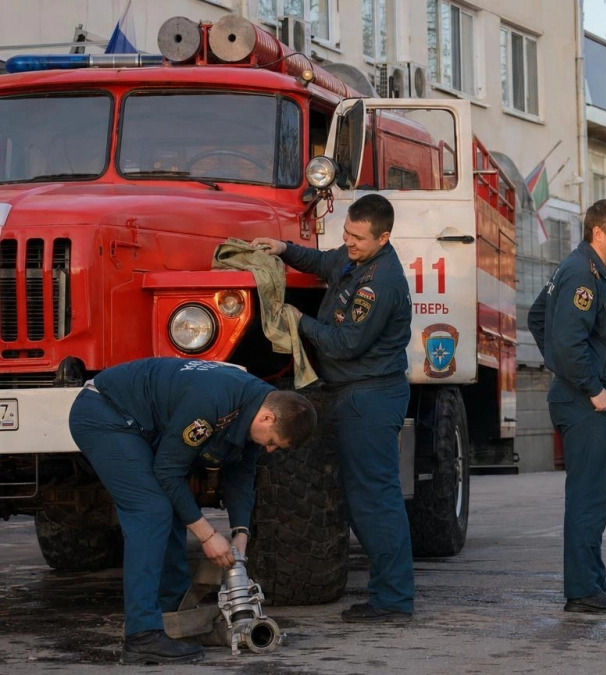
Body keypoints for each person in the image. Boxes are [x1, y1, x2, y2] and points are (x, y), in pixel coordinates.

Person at [68, 357, 316, 665]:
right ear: (267, 419)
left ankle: (170, 618)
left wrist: (241, 534)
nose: (270, 450)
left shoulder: (259, 403)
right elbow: (168, 472)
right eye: (274, 443)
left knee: (172, 508)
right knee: (151, 509)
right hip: (106, 412)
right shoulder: (213, 402)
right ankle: (142, 636)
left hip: (139, 423)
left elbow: (241, 476)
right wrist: (208, 535)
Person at [252, 193, 415, 624]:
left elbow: (346, 343)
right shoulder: (354, 257)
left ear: (384, 237)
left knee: (375, 501)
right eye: (346, 233)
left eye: (358, 238)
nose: (349, 242)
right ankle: (390, 593)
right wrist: (285, 249)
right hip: (355, 394)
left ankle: (394, 600)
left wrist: (297, 319)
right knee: (367, 499)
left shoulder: (380, 283)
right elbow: (324, 261)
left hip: (370, 398)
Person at [527, 199, 606, 614]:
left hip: (579, 397)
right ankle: (583, 590)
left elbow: (539, 317)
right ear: (599, 233)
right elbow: (567, 340)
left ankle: (592, 582)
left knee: (594, 495)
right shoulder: (582, 276)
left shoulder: (581, 269)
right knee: (589, 498)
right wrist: (592, 387)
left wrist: (559, 362)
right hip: (585, 403)